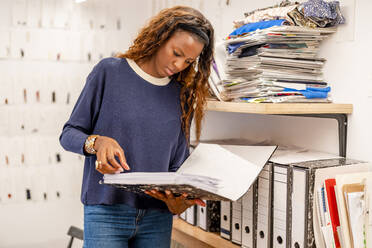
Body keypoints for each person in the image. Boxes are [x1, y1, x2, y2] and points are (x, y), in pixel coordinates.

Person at [59, 5, 214, 248]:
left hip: (158, 218)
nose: (179, 64)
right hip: (107, 213)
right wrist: (97, 142)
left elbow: (177, 163)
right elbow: (69, 134)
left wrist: (178, 202)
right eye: (176, 52)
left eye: (188, 61)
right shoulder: (109, 72)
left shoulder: (182, 96)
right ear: (160, 36)